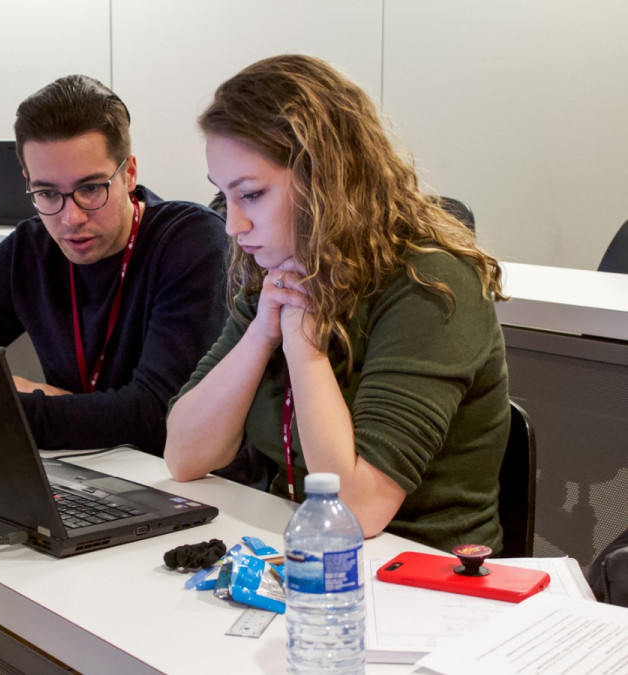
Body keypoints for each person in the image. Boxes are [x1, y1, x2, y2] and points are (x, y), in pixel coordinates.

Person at [165, 55, 510, 552]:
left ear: (324, 179)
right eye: (225, 197)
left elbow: (357, 509)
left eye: (252, 195)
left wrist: (304, 350)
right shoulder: (284, 267)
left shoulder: (432, 285)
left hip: (417, 568)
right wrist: (261, 336)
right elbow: (184, 455)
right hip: (301, 549)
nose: (233, 226)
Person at [0, 75, 227, 455]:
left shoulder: (192, 242)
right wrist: (62, 409)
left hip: (181, 477)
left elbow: (155, 415)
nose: (71, 218)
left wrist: (6, 403)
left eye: (91, 188)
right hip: (83, 464)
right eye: (47, 193)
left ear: (129, 174)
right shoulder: (31, 247)